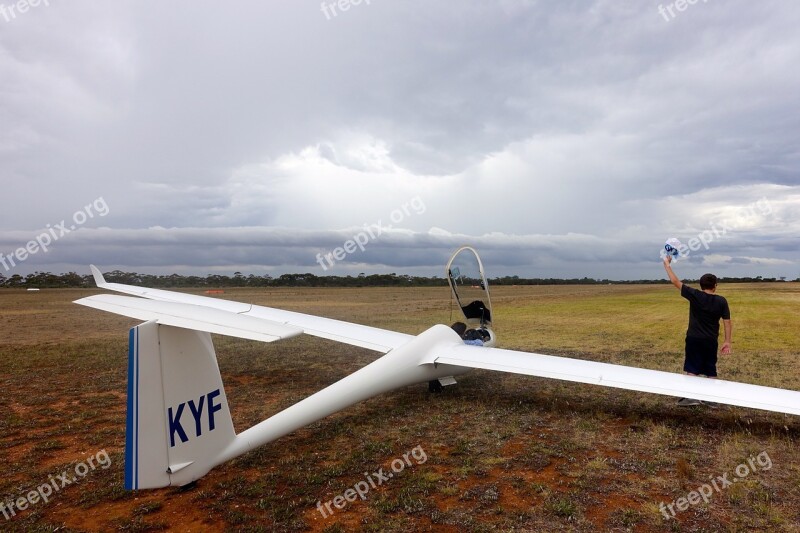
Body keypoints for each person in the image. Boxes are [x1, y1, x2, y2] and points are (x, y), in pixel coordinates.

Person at [663, 256, 732, 406]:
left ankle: (691, 397)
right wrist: (727, 341)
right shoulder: (721, 301)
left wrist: (667, 265)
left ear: (701, 285)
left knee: (692, 367)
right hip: (710, 340)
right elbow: (727, 322)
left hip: (694, 338)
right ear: (715, 285)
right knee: (710, 368)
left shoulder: (695, 295)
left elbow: (675, 282)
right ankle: (712, 400)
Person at [428, 322, 484, 392]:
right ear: (461, 334)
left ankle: (435, 387)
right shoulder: (459, 342)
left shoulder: (441, 338)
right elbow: (480, 343)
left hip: (433, 363)